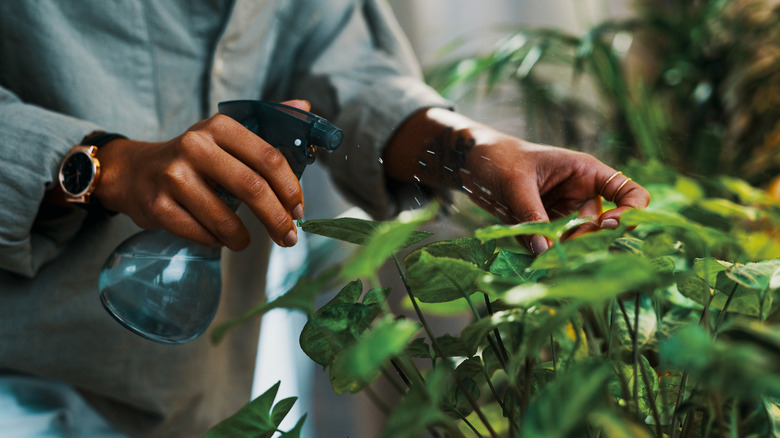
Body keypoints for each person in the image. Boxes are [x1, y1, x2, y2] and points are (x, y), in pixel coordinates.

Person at [0, 1, 650, 437]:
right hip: (24, 372)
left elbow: (346, 72)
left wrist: (477, 154)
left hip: (193, 396)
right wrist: (96, 165)